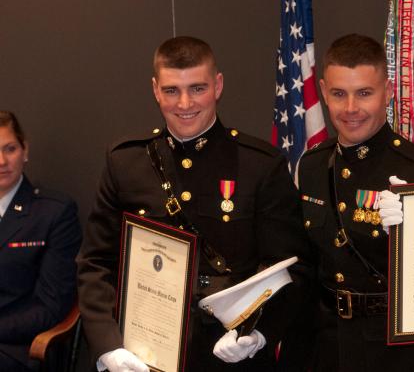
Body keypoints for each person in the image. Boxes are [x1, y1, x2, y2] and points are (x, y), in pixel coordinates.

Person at [76, 37, 311, 371]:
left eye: (197, 88)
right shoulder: (126, 163)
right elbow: (96, 262)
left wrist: (259, 331)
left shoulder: (260, 165)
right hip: (145, 352)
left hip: (230, 352)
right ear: (155, 90)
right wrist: (108, 346)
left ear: (217, 85)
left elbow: (292, 267)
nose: (184, 103)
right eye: (172, 90)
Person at [297, 34, 414, 371]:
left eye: (364, 93)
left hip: (395, 352)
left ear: (389, 91)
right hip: (327, 345)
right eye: (339, 94)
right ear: (323, 91)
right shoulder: (313, 165)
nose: (350, 108)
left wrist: (412, 238)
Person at [0, 111, 82, 371]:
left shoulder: (54, 212)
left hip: (14, 347)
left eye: (9, 149)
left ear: (25, 151)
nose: (1, 161)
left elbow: (51, 305)